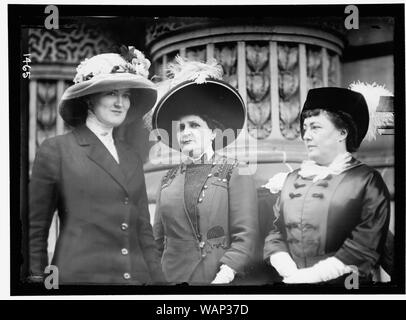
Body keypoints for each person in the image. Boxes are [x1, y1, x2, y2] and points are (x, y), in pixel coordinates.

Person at [28, 46, 165, 284]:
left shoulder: (131, 156)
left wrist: (161, 285)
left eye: (126, 95)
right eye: (111, 93)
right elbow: (35, 230)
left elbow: (144, 230)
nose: (120, 103)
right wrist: (37, 281)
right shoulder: (57, 150)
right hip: (80, 282)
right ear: (89, 100)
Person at [263, 87, 391, 284]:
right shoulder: (291, 179)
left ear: (342, 132)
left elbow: (365, 244)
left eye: (315, 127)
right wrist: (284, 264)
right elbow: (277, 232)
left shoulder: (366, 180)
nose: (306, 135)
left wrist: (312, 275)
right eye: (305, 128)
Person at [150, 57, 259, 284]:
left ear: (212, 133)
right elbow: (157, 241)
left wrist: (226, 273)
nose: (186, 132)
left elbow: (245, 235)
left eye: (194, 125)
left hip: (217, 278)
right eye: (181, 128)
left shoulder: (235, 171)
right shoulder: (168, 180)